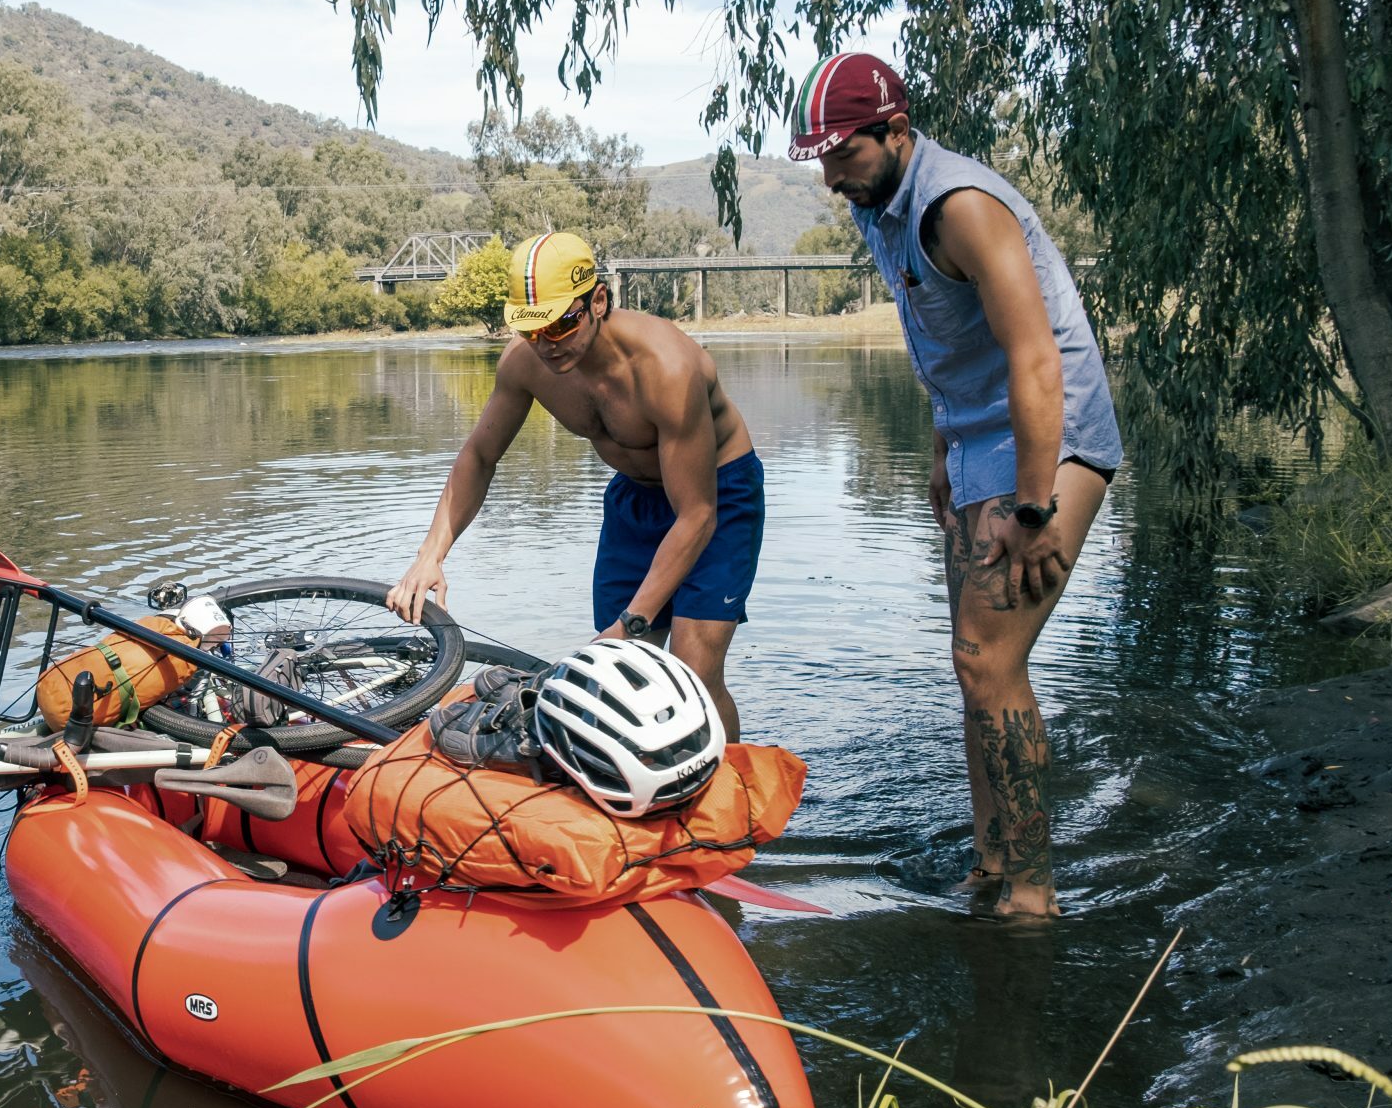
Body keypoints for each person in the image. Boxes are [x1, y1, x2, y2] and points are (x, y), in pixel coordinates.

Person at [790, 51, 1124, 917]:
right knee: (972, 665)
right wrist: (944, 443)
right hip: (976, 436)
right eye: (820, 159)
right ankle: (990, 861)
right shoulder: (879, 202)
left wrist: (1035, 504)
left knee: (990, 658)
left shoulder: (961, 207)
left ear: (895, 131)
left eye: (842, 154)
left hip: (1054, 434)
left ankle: (1034, 889)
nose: (831, 177)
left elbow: (1036, 358)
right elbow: (940, 330)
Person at [385, 230, 764, 739]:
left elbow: (697, 514)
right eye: (531, 329)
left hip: (716, 495)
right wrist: (431, 554)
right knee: (628, 673)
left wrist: (631, 620)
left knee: (692, 671)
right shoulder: (526, 365)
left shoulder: (665, 368)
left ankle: (727, 796)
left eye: (562, 323)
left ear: (598, 301)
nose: (547, 344)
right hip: (635, 499)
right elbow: (479, 455)